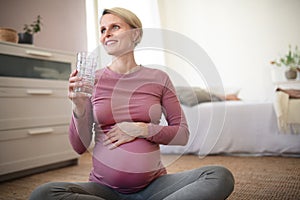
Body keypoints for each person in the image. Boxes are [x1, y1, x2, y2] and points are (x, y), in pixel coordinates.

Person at [29, 7, 234, 200]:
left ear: (135, 34)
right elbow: (79, 147)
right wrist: (78, 107)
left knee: (218, 176)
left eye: (114, 27)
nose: (106, 34)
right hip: (104, 190)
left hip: (155, 187)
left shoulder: (158, 78)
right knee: (44, 193)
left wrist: (141, 129)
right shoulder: (92, 80)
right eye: (102, 29)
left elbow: (182, 134)